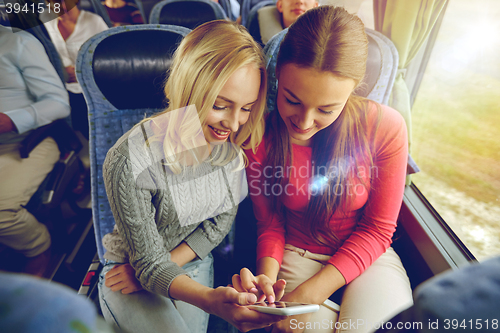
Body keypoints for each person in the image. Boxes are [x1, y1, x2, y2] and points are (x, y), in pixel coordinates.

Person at [98, 20, 286, 333]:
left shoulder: (232, 151)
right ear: (190, 90)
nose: (235, 124)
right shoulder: (129, 160)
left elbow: (217, 226)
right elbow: (146, 261)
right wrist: (205, 297)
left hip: (190, 259)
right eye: (221, 105)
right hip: (127, 268)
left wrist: (163, 264)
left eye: (246, 108)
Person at [235, 6, 414, 333]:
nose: (303, 123)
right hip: (296, 251)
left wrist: (314, 291)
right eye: (292, 100)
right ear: (277, 76)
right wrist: (267, 282)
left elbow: (377, 229)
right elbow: (271, 223)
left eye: (326, 109)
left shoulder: (385, 128)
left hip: (368, 255)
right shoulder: (258, 136)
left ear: (353, 90)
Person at [0, 24, 70, 276]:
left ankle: (37, 247)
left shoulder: (18, 42)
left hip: (28, 142)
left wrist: (10, 120)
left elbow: (59, 104)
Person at [44, 0, 108, 139]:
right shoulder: (45, 25)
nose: (60, 6)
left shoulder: (94, 22)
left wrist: (83, 71)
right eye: (53, 2)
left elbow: (109, 59)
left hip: (89, 86)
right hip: (57, 86)